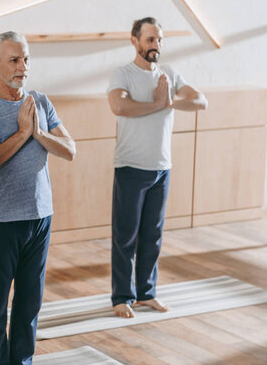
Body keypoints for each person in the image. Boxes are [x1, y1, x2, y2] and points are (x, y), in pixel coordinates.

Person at [0, 31, 76, 365]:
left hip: (40, 217)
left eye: (26, 59)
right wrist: (21, 135)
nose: (22, 67)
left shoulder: (40, 102)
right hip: (1, 221)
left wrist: (39, 133)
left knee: (29, 305)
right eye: (14, 60)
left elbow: (70, 150)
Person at [107, 17, 208, 318]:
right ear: (134, 41)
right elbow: (119, 106)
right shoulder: (122, 74)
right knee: (126, 236)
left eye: (159, 40)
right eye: (150, 39)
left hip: (162, 168)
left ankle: (146, 293)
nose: (156, 45)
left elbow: (200, 101)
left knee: (152, 235)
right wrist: (157, 103)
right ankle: (122, 297)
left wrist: (170, 102)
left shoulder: (169, 74)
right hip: (131, 166)